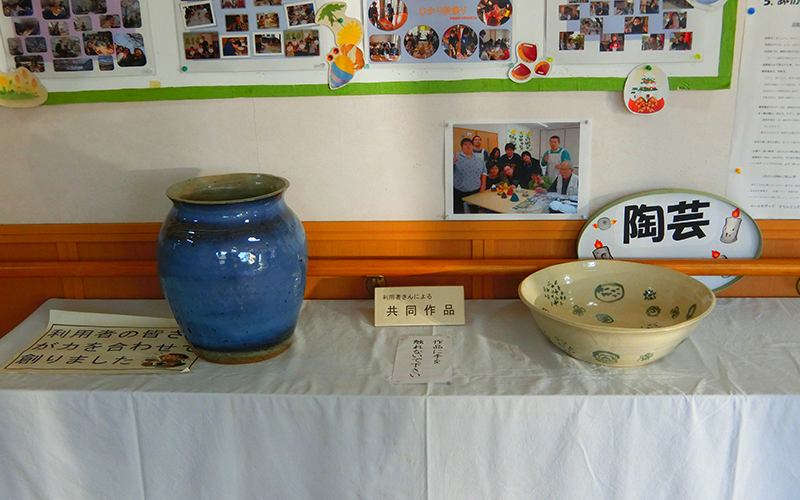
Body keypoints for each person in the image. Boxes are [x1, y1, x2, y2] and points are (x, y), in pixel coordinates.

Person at [453, 137, 486, 213]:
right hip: (460, 191)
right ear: (462, 147)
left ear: (472, 146)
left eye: (470, 144)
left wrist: (483, 185)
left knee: (474, 211)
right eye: (465, 144)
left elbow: (484, 172)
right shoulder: (456, 157)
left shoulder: (478, 158)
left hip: (475, 190)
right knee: (459, 212)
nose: (468, 146)